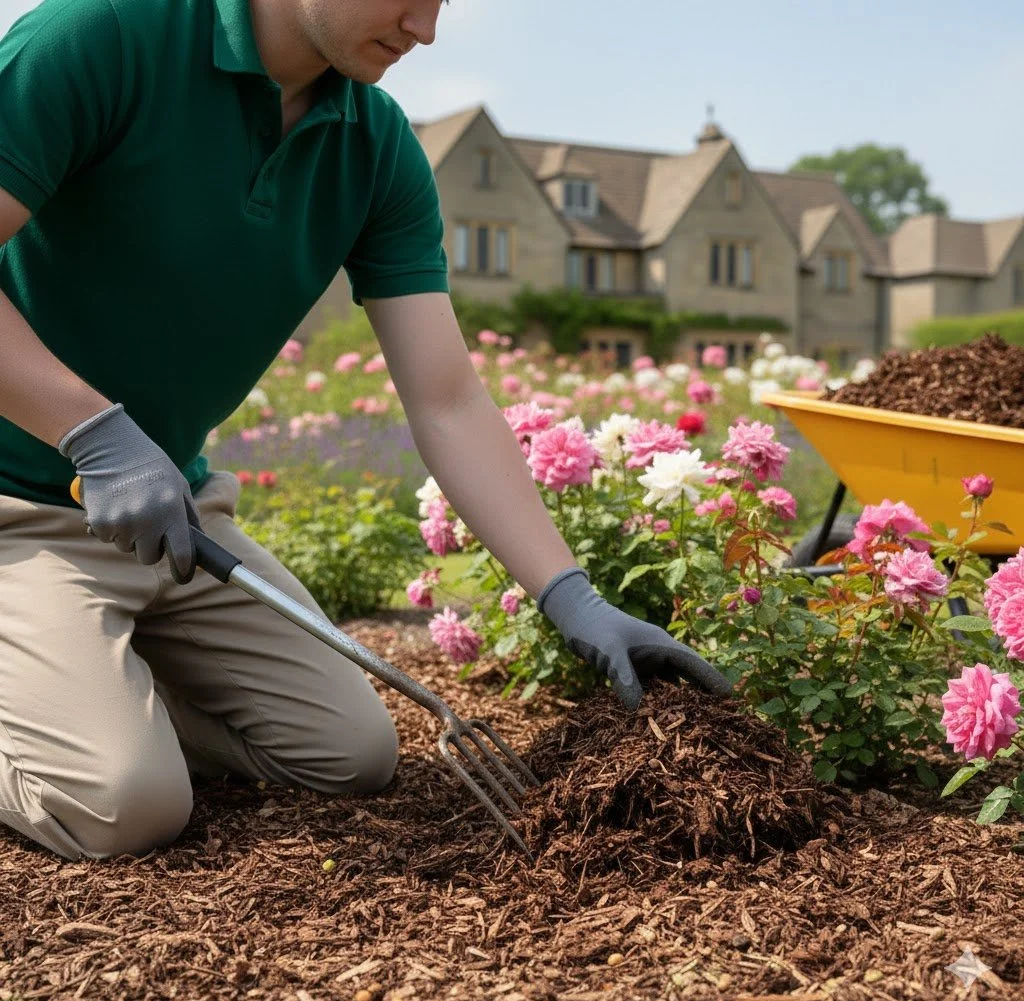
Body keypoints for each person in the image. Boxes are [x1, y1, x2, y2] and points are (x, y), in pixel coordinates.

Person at [0, 0, 732, 863]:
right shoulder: (101, 40)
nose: (425, 30)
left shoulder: (376, 145)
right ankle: (72, 713)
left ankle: (75, 691)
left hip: (174, 517)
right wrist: (91, 429)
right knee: (125, 806)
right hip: (18, 509)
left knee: (349, 753)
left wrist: (570, 593)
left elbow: (447, 398)